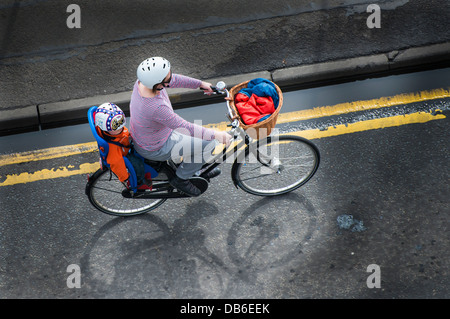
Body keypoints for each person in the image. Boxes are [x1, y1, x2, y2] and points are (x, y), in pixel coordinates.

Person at [129, 57, 231, 196]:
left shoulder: (143, 83)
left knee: (200, 139)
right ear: (158, 83)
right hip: (156, 147)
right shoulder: (155, 107)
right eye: (167, 78)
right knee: (209, 142)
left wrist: (200, 84)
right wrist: (217, 135)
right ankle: (182, 178)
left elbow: (174, 80)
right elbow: (184, 127)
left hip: (148, 137)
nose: (171, 78)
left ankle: (195, 168)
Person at [94, 102, 152, 190]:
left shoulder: (111, 132)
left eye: (121, 125)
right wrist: (124, 177)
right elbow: (117, 164)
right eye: (116, 127)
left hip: (124, 145)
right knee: (138, 164)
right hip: (123, 152)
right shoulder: (113, 149)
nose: (120, 128)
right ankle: (140, 182)